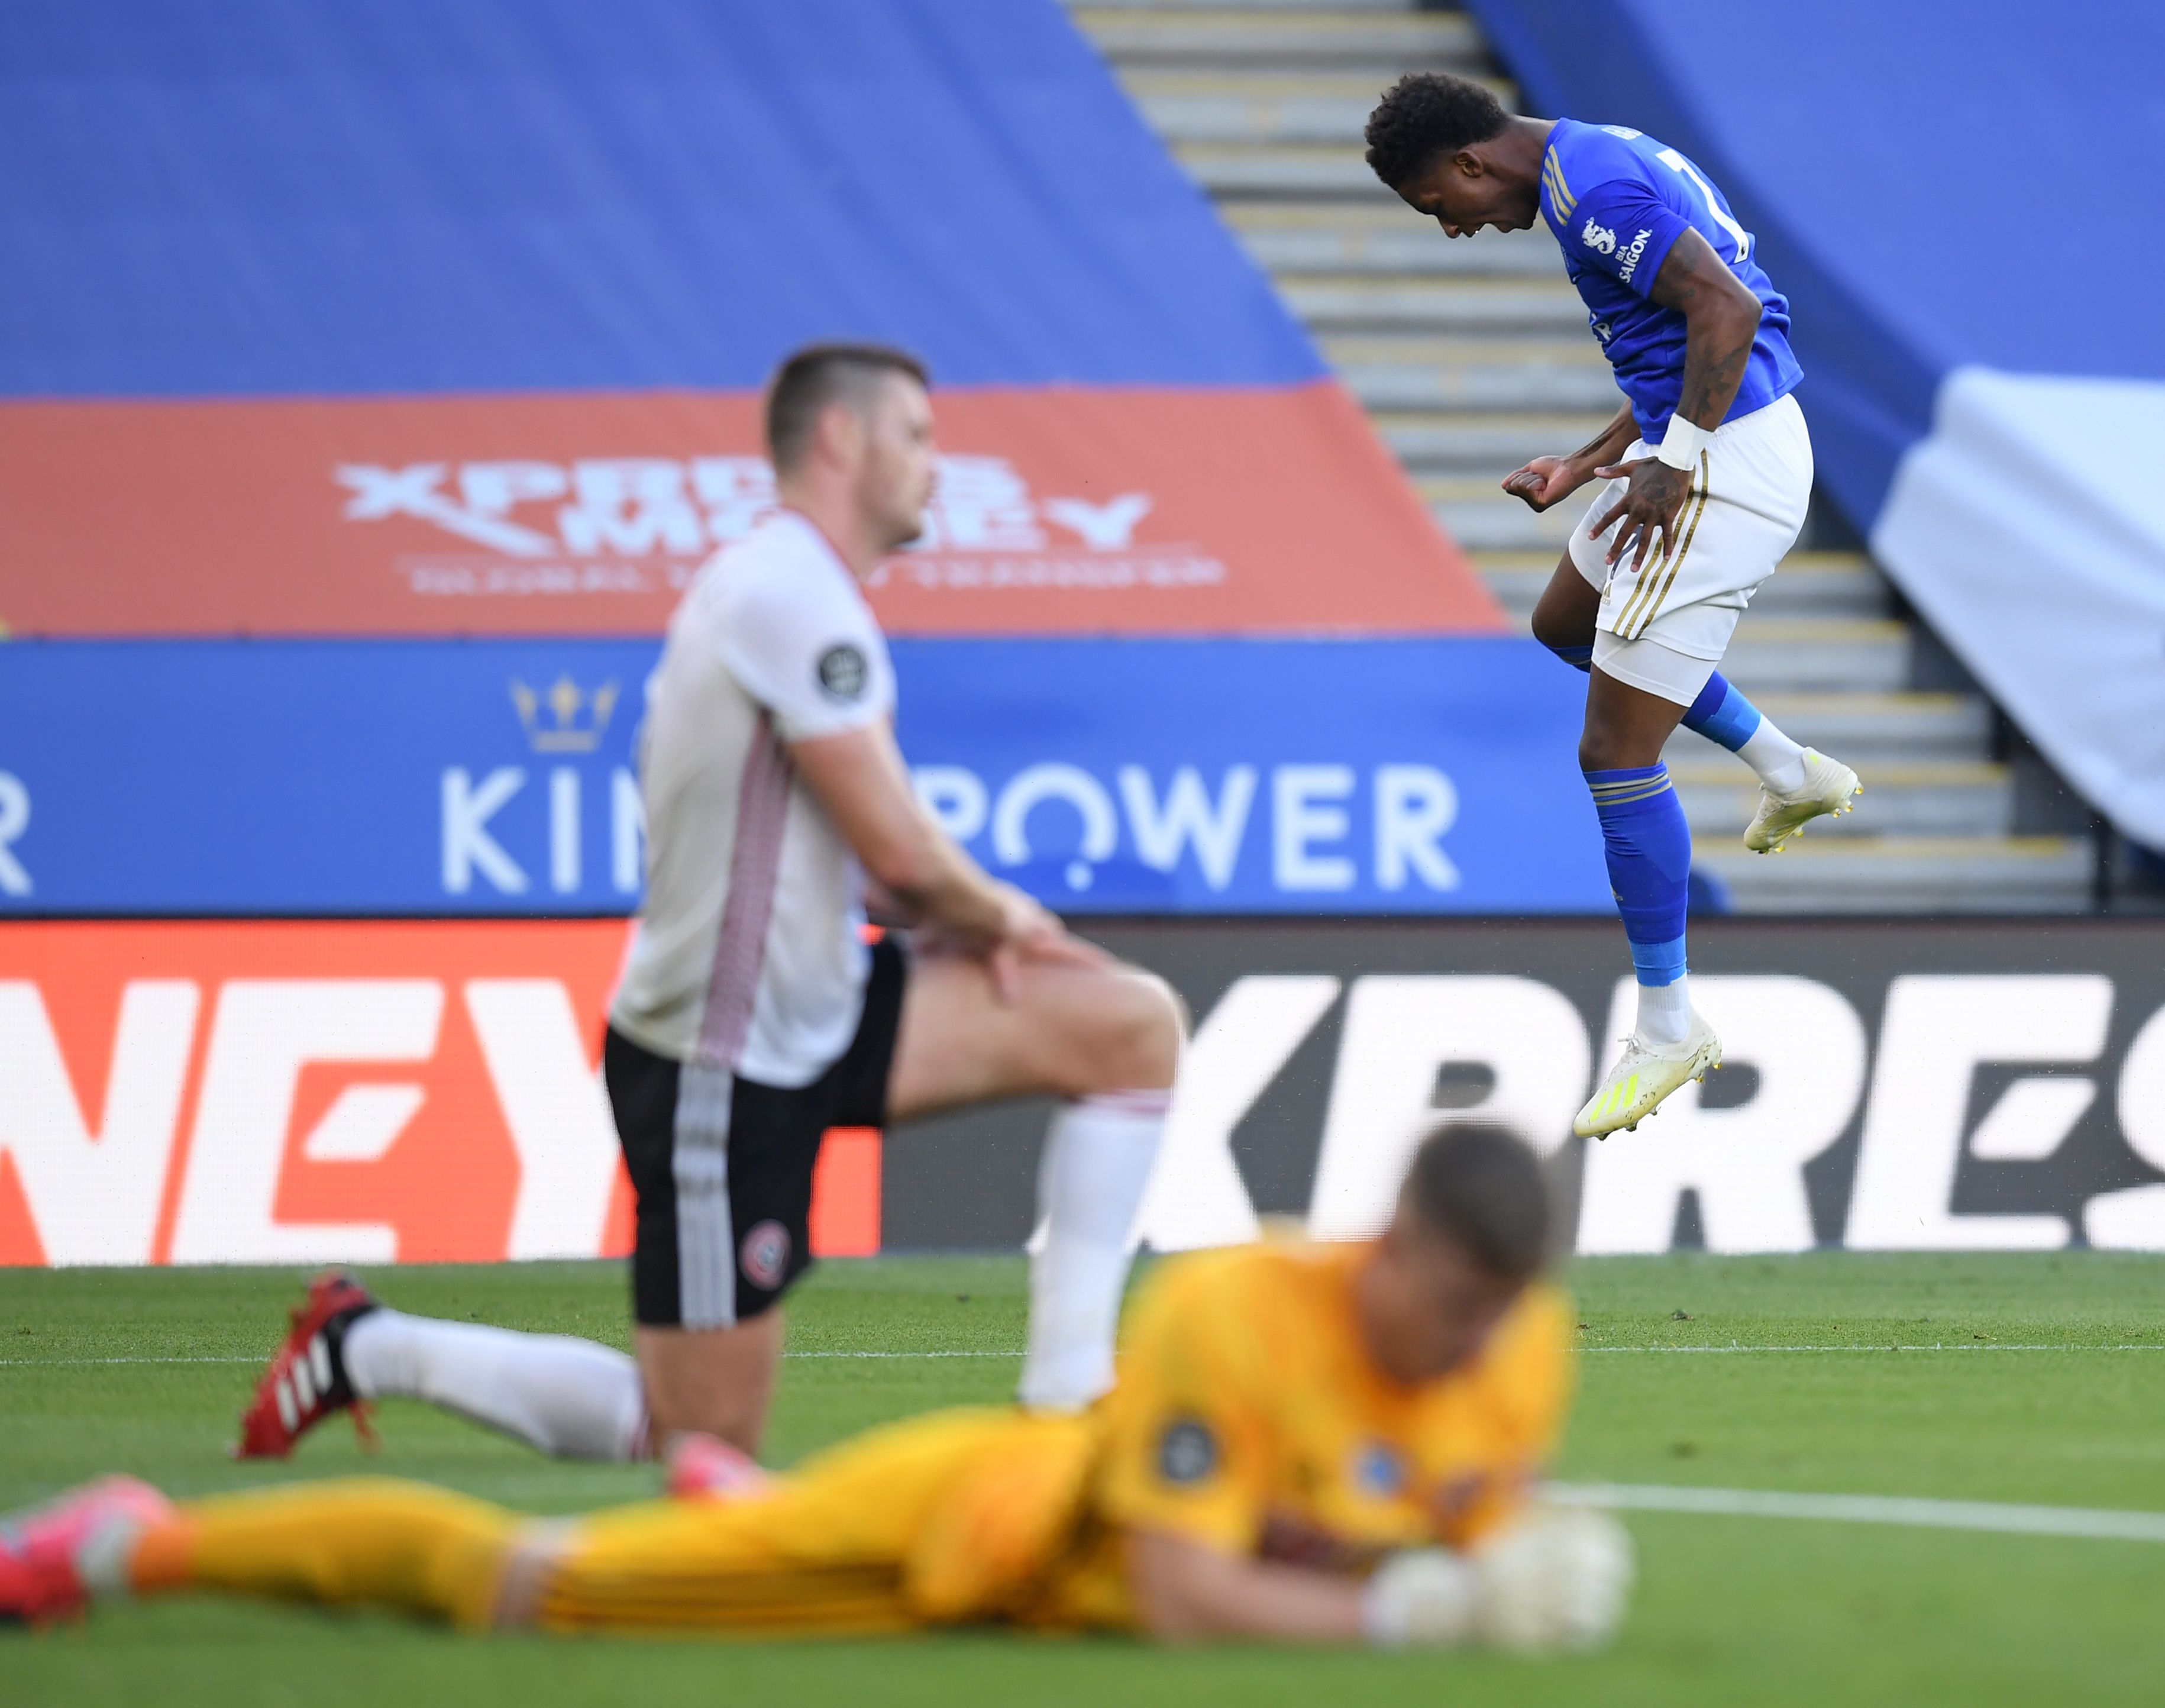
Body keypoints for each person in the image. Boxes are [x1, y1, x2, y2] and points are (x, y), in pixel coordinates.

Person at [233, 343, 1185, 1465]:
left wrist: (981, 927)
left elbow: (885, 870)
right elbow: (901, 853)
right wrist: (1012, 924)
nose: (939, 465)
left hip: (819, 1005)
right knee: (693, 1438)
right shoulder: (788, 595)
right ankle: (368, 1347)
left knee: (1129, 1030)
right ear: (841, 439)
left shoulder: (802, 593)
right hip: (716, 1061)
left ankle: (1068, 1408)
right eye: (918, 435)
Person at [3, 1125, 1632, 1652]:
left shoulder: (1520, 1345)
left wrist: (1508, 1549)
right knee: (528, 1586)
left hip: (1038, 1559)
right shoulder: (1233, 1311)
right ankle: (135, 1539)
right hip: (967, 1537)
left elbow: (1419, 1511)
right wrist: (1416, 1615)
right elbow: (1180, 1590)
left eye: (1500, 1318)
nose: (1473, 1349)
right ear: (1386, 1247)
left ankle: (744, 1495)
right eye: (1455, 1307)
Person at [1363, 76, 1862, 1139]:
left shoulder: (1591, 195)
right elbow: (1681, 333)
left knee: (1614, 754)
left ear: (1469, 163)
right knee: (1564, 626)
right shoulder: (1589, 154)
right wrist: (1587, 459)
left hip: (1724, 462)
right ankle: (1790, 770)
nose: (1450, 228)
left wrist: (1672, 464)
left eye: (1438, 205)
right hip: (1703, 438)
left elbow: (1728, 312)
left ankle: (1669, 1023)